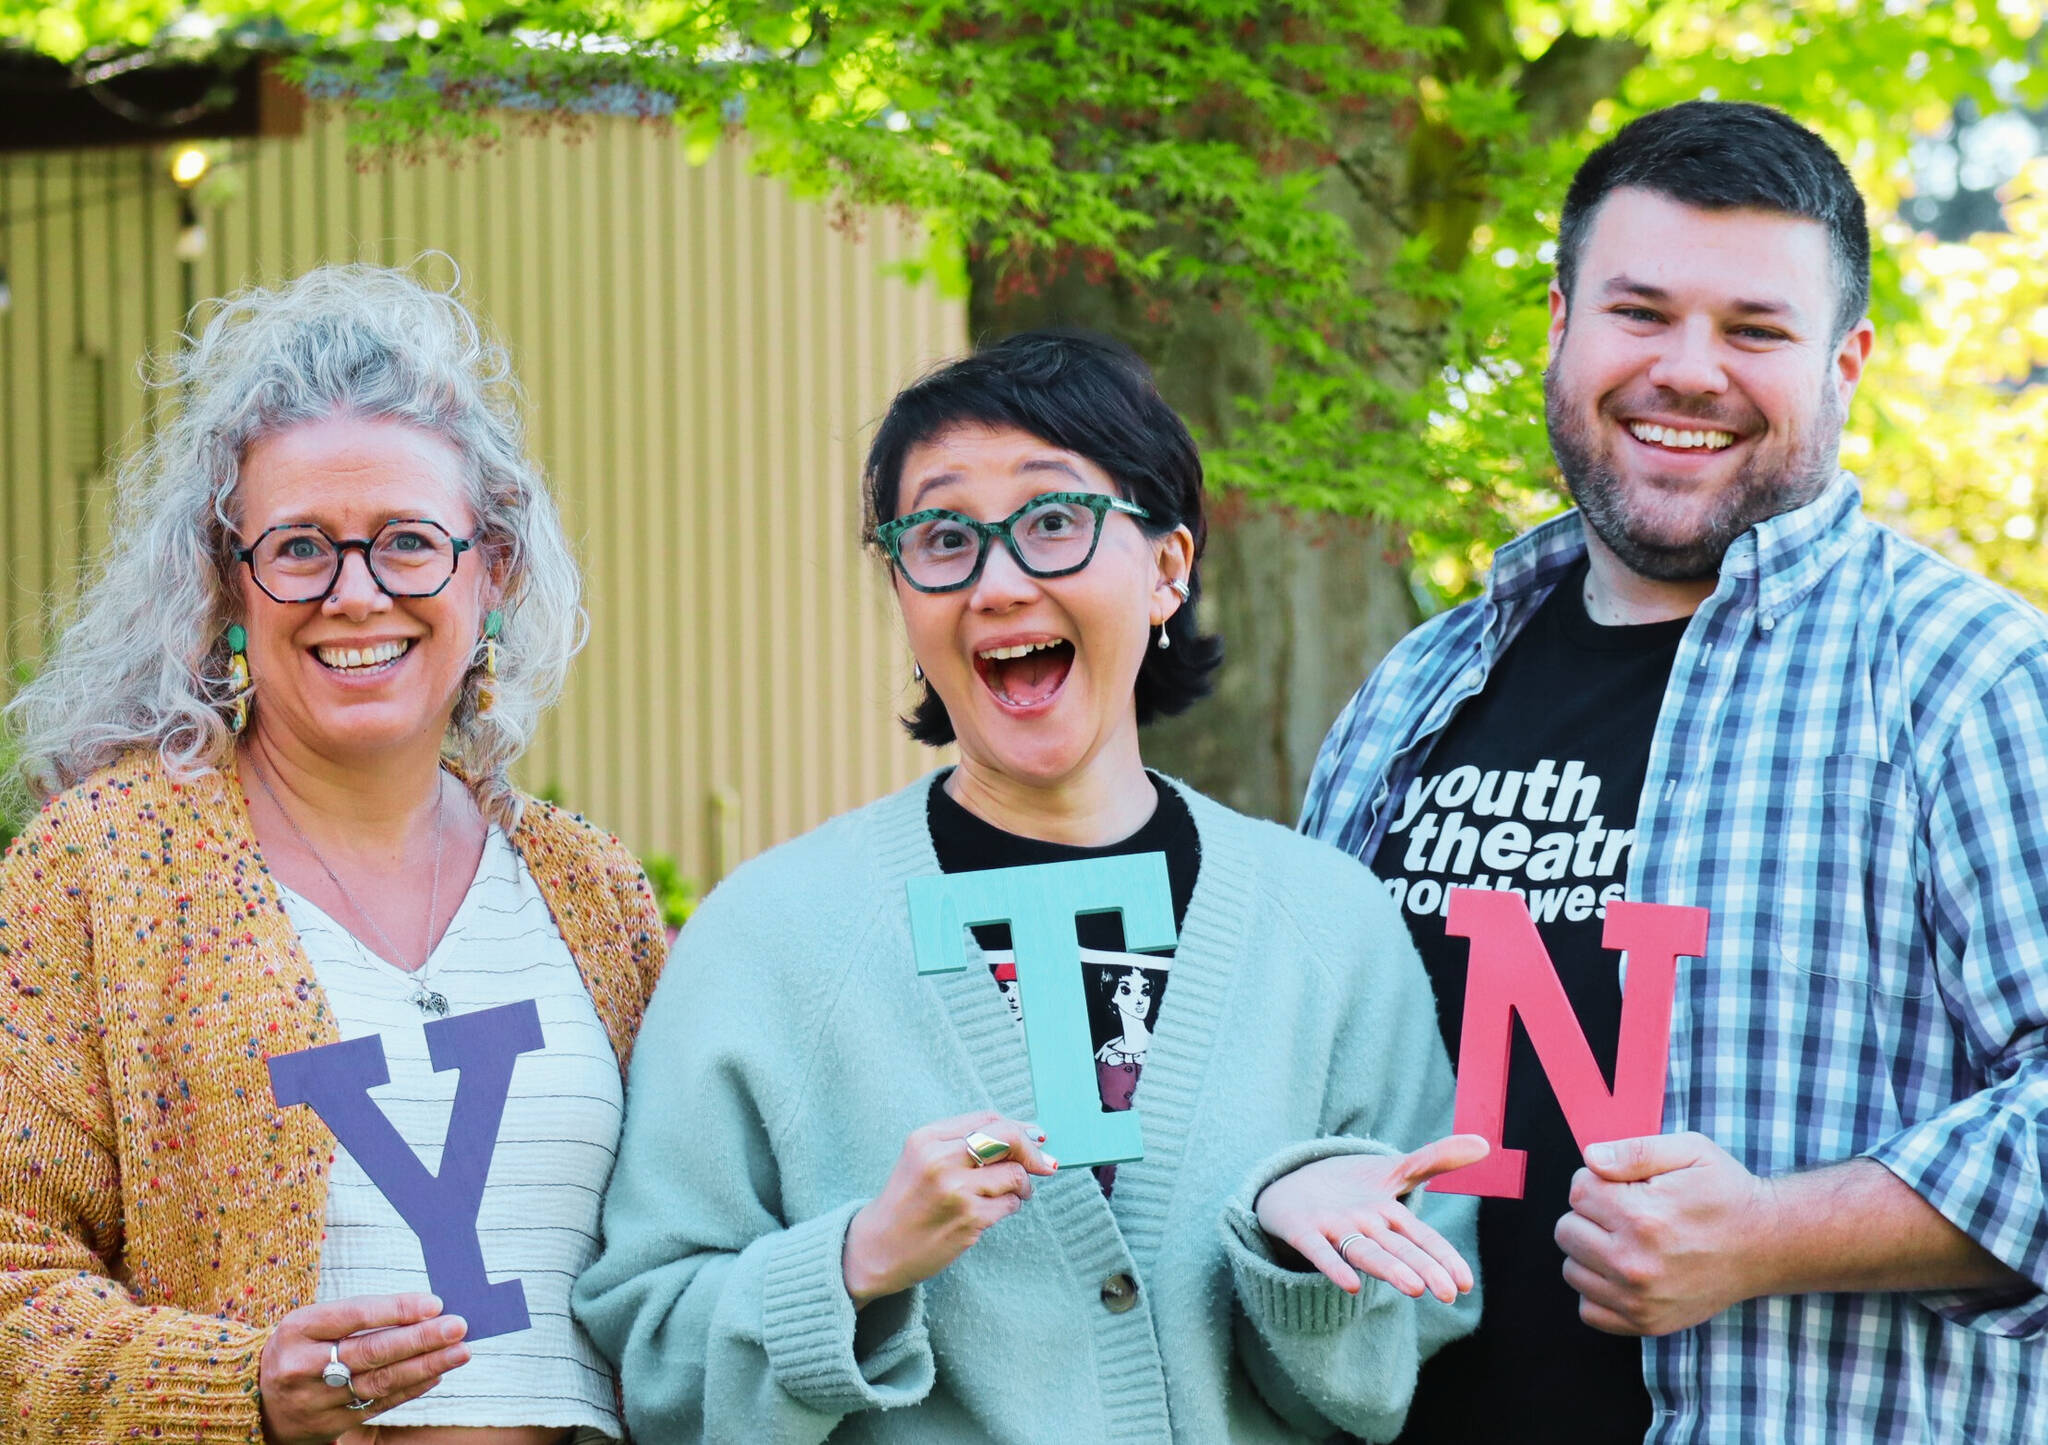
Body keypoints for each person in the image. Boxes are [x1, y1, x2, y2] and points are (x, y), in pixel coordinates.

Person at [575, 331, 1483, 1442]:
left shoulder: (1330, 926)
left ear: (1167, 567)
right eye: (943, 538)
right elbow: (652, 1352)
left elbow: (1403, 1359)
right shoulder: (768, 939)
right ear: (903, 590)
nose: (998, 583)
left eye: (1054, 521)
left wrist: (1296, 1253)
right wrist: (855, 1263)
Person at [1301, 100, 2048, 1443]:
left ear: (1845, 363)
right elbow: (1287, 1082)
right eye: (1638, 312)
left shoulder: (1966, 679)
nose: (1687, 371)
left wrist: (1772, 1231)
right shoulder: (1411, 690)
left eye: (1754, 329)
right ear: (1559, 325)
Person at [0, 264, 665, 1445]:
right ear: (226, 584)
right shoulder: (99, 868)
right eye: (300, 547)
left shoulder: (593, 891)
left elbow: (683, 1262)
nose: (356, 594)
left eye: (408, 542)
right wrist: (240, 1387)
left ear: (493, 570)